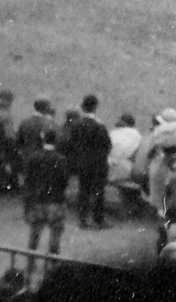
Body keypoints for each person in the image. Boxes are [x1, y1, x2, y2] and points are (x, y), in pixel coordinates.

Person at [63, 94, 111, 229]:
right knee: (98, 192)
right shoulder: (99, 126)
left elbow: (70, 144)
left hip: (82, 162)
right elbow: (107, 145)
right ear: (95, 107)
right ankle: (98, 219)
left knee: (83, 190)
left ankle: (83, 219)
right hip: (97, 163)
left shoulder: (76, 125)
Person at [24, 128, 69, 259]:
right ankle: (52, 265)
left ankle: (30, 262)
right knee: (55, 235)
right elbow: (64, 180)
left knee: (34, 234)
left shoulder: (34, 157)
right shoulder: (60, 159)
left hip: (37, 200)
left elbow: (28, 180)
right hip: (55, 201)